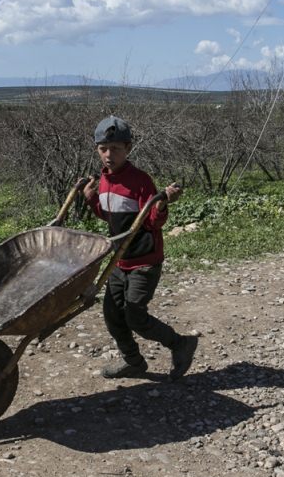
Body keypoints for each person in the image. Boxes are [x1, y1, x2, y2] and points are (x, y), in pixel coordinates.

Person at [82, 115, 198, 381]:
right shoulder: (104, 180)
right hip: (119, 261)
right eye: (103, 149)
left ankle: (181, 344)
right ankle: (133, 361)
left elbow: (153, 221)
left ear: (128, 148)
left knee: (134, 316)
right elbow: (111, 217)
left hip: (144, 260)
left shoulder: (140, 180)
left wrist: (162, 204)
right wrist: (91, 200)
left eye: (115, 149)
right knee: (112, 315)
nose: (108, 155)